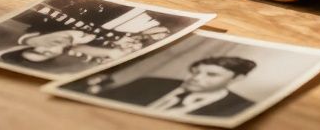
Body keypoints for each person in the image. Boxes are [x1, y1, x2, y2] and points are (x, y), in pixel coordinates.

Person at [88, 55, 257, 117]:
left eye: (211, 75)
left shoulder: (242, 108)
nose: (196, 78)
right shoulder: (149, 82)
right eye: (194, 71)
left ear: (237, 78)